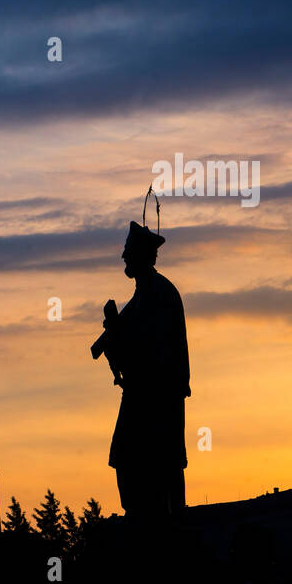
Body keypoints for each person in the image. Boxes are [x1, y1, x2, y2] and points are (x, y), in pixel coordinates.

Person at [101, 220, 190, 521]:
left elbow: (149, 349)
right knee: (126, 459)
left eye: (127, 252)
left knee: (154, 464)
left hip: (156, 398)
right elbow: (129, 350)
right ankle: (140, 517)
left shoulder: (158, 294)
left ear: (141, 255)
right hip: (142, 395)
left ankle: (153, 522)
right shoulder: (142, 296)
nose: (123, 257)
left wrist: (118, 337)